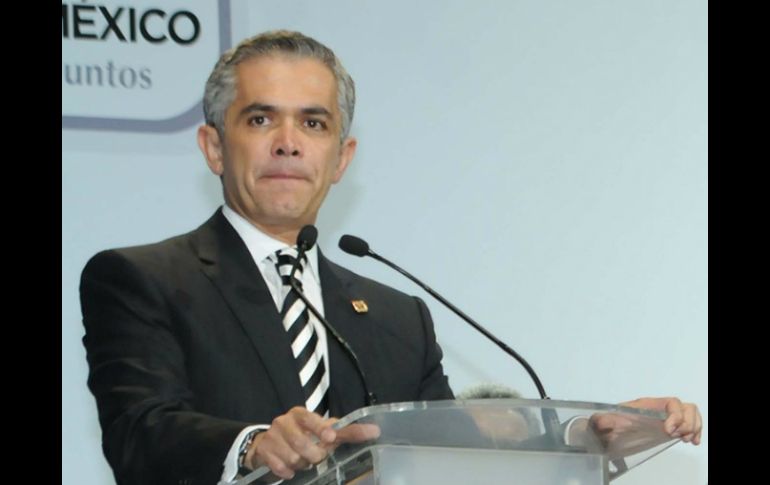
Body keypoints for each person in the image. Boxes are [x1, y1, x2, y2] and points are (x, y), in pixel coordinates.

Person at [79, 30, 702, 485]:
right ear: (214, 147)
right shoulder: (141, 279)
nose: (289, 144)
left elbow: (456, 451)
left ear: (341, 158)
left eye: (314, 124)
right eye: (261, 119)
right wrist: (254, 444)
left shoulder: (397, 315)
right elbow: (139, 433)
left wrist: (589, 436)